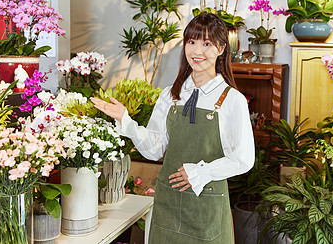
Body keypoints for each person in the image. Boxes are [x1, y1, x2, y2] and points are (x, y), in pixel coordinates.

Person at [91, 12, 255, 243]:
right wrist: (125, 121)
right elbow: (155, 149)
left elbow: (243, 159)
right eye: (192, 42)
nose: (197, 51)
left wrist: (201, 172)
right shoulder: (170, 95)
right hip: (168, 203)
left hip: (205, 208)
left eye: (206, 44)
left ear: (221, 48)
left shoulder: (231, 100)